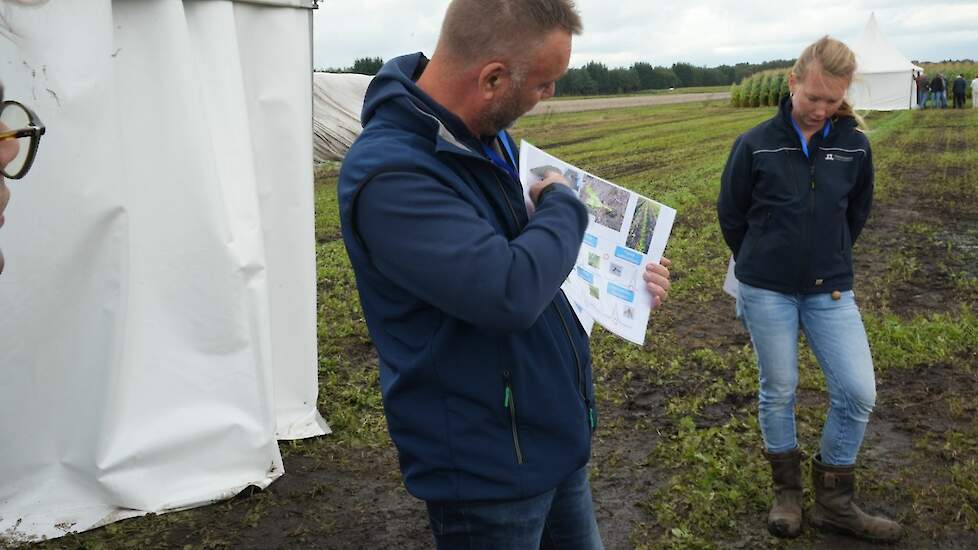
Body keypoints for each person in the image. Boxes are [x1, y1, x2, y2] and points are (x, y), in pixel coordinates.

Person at [338, 1, 671, 548]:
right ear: (492, 78)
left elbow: (525, 262)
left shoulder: (480, 137)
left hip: (549, 438)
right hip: (487, 470)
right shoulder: (391, 176)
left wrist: (625, 277)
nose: (550, 96)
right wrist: (564, 203)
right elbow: (509, 291)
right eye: (544, 83)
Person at [717, 36, 901, 543]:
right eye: (813, 97)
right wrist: (763, 262)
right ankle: (789, 495)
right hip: (766, 290)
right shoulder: (755, 144)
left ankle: (835, 502)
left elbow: (856, 212)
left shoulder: (854, 145)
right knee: (779, 390)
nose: (822, 109)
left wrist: (828, 255)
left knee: (858, 391)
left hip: (831, 291)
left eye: (833, 99)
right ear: (792, 82)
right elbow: (732, 216)